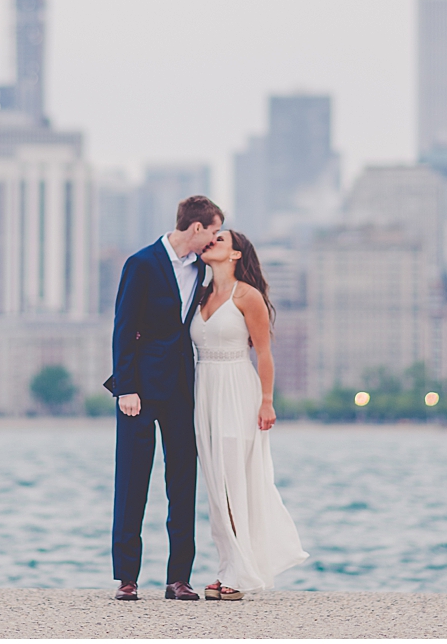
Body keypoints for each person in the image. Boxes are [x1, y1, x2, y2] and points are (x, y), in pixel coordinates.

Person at [109, 195, 224, 601]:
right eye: (212, 231)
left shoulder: (202, 271)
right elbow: (123, 327)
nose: (215, 238)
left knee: (182, 482)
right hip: (138, 391)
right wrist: (126, 387)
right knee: (132, 482)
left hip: (181, 389)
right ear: (196, 228)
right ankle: (126, 578)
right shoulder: (141, 263)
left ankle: (179, 579)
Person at [189, 228, 307, 599]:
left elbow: (264, 353)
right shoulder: (202, 294)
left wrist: (267, 400)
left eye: (219, 240)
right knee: (215, 485)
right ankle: (228, 566)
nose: (211, 243)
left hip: (237, 390)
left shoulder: (248, 295)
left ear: (237, 254)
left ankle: (240, 575)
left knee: (234, 481)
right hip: (204, 390)